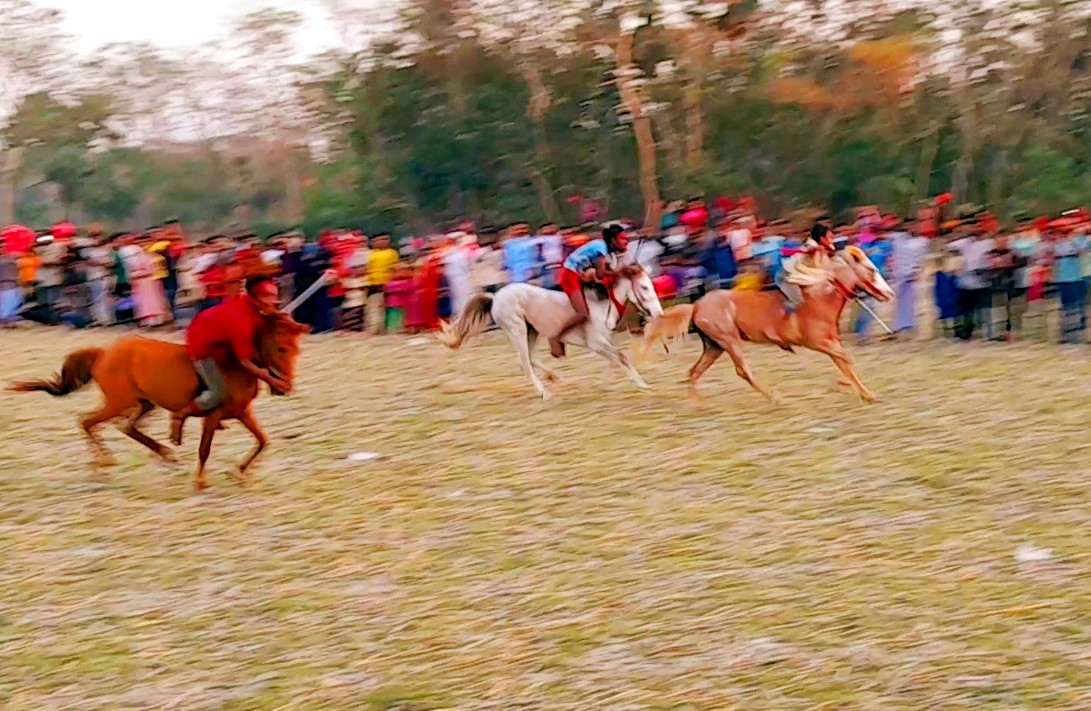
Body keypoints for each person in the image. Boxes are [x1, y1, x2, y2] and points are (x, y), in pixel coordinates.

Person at [170, 275, 290, 445]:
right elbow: (245, 362)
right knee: (218, 392)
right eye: (267, 297)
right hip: (203, 344)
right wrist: (271, 379)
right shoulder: (241, 323)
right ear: (254, 298)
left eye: (273, 296)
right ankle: (182, 414)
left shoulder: (248, 303)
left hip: (224, 337)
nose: (273, 301)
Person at [550, 224, 629, 358]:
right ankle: (556, 337)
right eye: (622, 239)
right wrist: (620, 273)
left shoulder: (607, 250)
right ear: (613, 240)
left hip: (578, 274)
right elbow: (601, 273)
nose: (625, 242)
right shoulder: (601, 248)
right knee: (583, 313)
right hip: (570, 274)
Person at [776, 223, 837, 314]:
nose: (832, 240)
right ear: (822, 238)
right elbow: (807, 249)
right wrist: (815, 249)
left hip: (805, 277)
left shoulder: (827, 249)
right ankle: (780, 318)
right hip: (786, 276)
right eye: (830, 237)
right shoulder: (810, 244)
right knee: (797, 301)